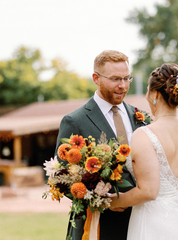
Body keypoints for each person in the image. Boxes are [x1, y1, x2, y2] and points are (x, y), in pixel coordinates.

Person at [55, 50, 148, 240]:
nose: (122, 85)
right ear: (96, 78)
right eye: (115, 79)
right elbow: (60, 176)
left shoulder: (141, 117)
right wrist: (101, 201)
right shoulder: (75, 121)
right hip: (97, 225)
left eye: (126, 78)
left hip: (141, 221)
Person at [109, 62, 178, 239]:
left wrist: (113, 201)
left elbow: (149, 191)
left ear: (154, 94)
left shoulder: (144, 134)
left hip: (152, 225)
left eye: (147, 90)